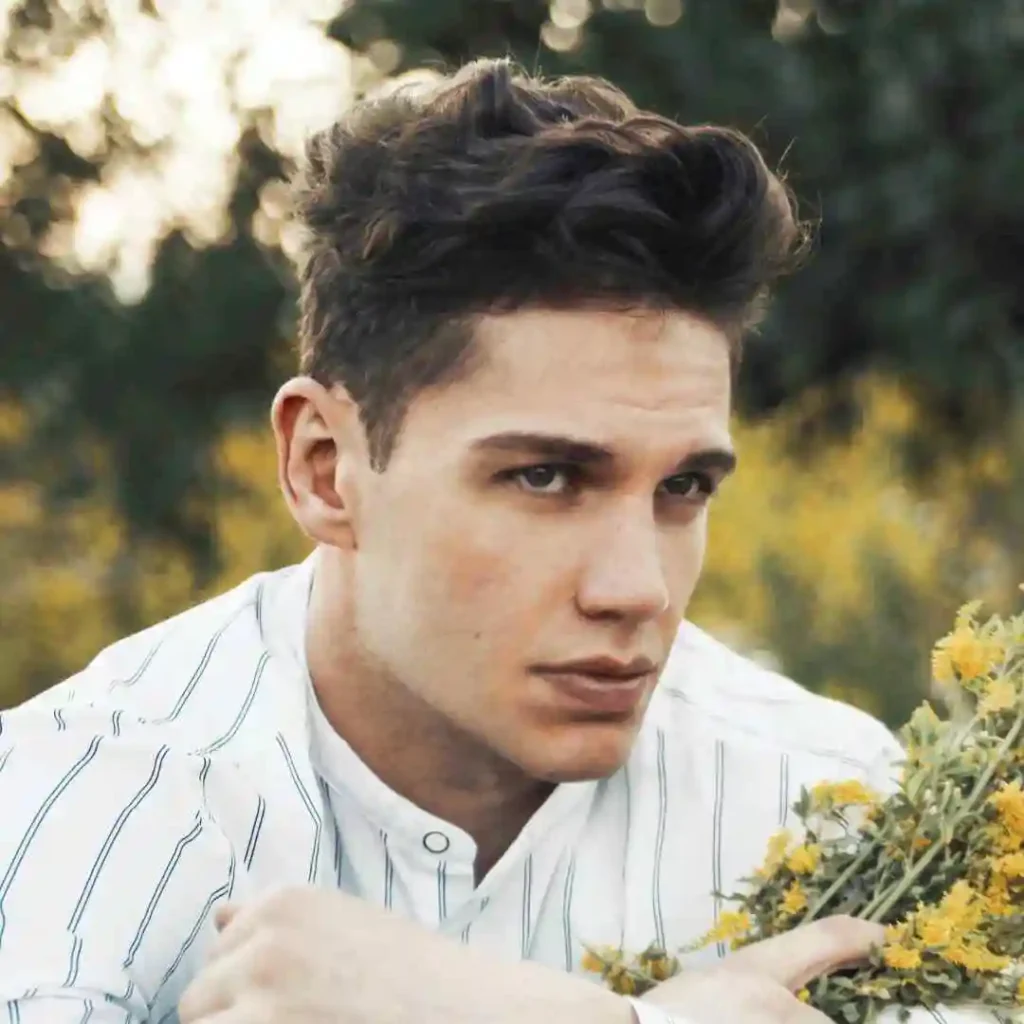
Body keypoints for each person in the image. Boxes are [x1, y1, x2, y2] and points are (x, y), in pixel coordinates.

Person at [0, 58, 910, 1024]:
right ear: (323, 469)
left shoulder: (834, 797)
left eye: (683, 487)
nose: (639, 590)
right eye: (544, 477)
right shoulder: (72, 796)